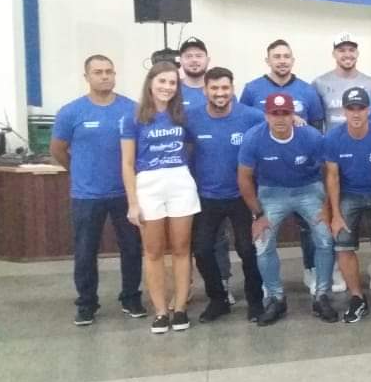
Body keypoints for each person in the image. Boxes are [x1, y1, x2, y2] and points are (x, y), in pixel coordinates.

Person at [51, 54, 144, 326]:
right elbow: (57, 149)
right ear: (87, 77)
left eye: (109, 71)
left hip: (125, 193)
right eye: (98, 72)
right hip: (87, 195)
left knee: (131, 248)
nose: (104, 76)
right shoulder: (71, 112)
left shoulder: (132, 109)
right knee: (85, 251)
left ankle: (131, 298)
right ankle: (86, 303)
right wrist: (78, 170)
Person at [237, 93, 338, 326]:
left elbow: (329, 171)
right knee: (263, 243)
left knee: (325, 239)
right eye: (275, 113)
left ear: (293, 115)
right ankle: (276, 298)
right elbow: (244, 178)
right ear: (266, 116)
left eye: (285, 113)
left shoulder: (311, 136)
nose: (280, 118)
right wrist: (258, 214)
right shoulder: (253, 138)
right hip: (271, 192)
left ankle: (322, 295)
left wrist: (327, 206)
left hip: (308, 189)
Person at [239, 39, 326, 293]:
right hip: (270, 185)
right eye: (276, 56)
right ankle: (273, 293)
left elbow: (318, 129)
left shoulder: (307, 91)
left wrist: (325, 199)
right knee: (263, 240)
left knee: (318, 233)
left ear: (293, 60)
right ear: (267, 60)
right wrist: (257, 213)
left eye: (286, 56)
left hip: (306, 182)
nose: (282, 60)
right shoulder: (252, 90)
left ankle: (313, 272)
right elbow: (246, 123)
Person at [120, 61, 201, 333]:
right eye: (162, 81)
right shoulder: (133, 117)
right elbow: (127, 163)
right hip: (148, 184)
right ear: (150, 83)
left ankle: (180, 309)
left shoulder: (184, 115)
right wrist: (133, 202)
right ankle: (160, 312)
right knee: (153, 251)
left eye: (172, 82)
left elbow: (196, 143)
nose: (167, 87)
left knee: (181, 249)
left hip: (180, 182)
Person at [185, 67, 265, 323]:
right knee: (202, 250)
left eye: (225, 88)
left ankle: (256, 301)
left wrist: (296, 119)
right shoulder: (191, 117)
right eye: (214, 88)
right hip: (206, 196)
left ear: (232, 89)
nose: (220, 93)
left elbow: (276, 123)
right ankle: (218, 300)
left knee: (247, 250)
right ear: (205, 90)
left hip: (242, 196)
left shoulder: (251, 116)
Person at [323, 87, 371, 323]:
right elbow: (332, 177)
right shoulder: (333, 138)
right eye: (351, 108)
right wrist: (335, 214)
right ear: (344, 111)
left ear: (369, 110)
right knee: (342, 243)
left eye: (361, 108)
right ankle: (357, 297)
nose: (356, 113)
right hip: (349, 195)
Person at [314, 33, 371, 128]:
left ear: (357, 53)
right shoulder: (319, 83)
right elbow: (316, 122)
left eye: (351, 50)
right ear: (334, 54)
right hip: (332, 137)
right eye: (342, 50)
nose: (347, 55)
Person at [178, 37, 210, 108]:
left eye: (199, 56)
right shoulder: (172, 89)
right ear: (180, 61)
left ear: (208, 60)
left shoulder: (219, 90)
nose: (194, 60)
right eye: (188, 56)